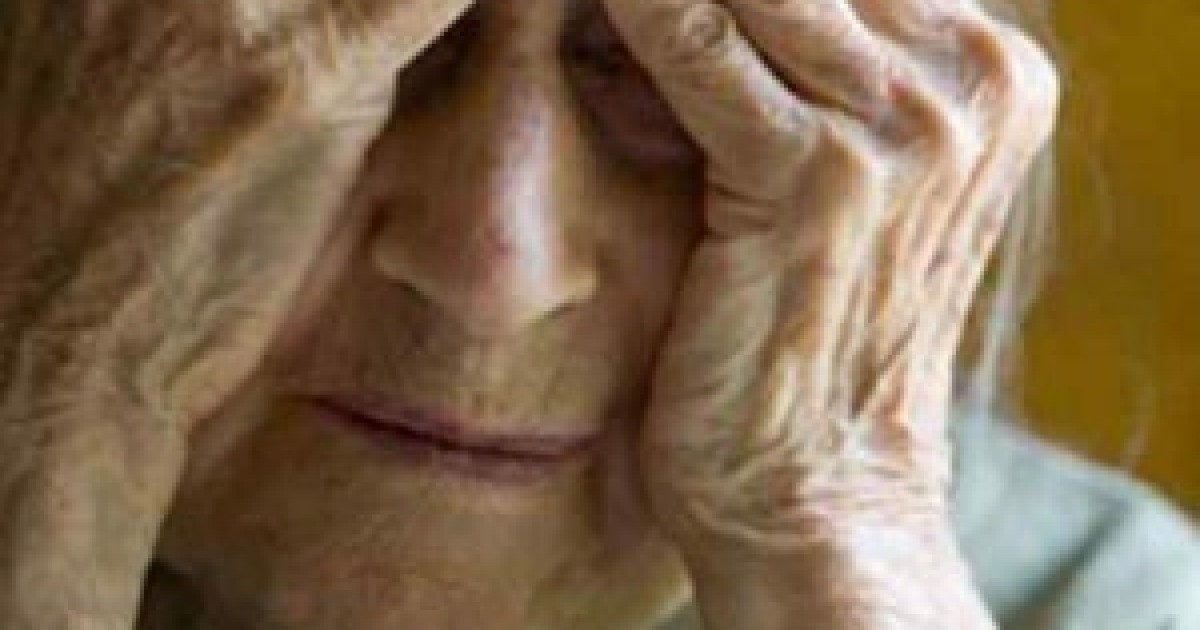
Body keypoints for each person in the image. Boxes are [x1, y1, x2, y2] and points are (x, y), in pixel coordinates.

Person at [0, 0, 1196, 629]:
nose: (493, 269)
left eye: (665, 79)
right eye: (335, 31)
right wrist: (61, 405)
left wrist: (828, 526)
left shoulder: (1087, 600)